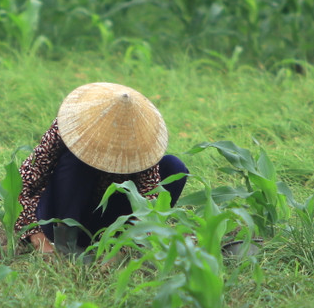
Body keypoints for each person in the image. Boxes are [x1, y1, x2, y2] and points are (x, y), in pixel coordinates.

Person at [17, 82, 188, 255]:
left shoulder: (142, 146)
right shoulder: (70, 125)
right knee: (75, 158)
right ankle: (66, 242)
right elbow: (26, 180)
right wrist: (37, 236)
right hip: (59, 214)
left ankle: (120, 243)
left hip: (109, 221)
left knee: (174, 166)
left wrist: (124, 249)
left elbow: (148, 198)